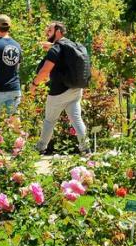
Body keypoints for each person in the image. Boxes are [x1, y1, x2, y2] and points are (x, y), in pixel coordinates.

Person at [31, 21, 91, 155]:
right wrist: (51, 47)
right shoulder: (71, 44)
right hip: (75, 89)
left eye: (50, 30)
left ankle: (40, 148)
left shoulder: (55, 49)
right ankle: (85, 148)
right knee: (76, 119)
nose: (47, 32)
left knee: (49, 120)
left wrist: (34, 84)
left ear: (58, 31)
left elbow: (45, 71)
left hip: (59, 92)